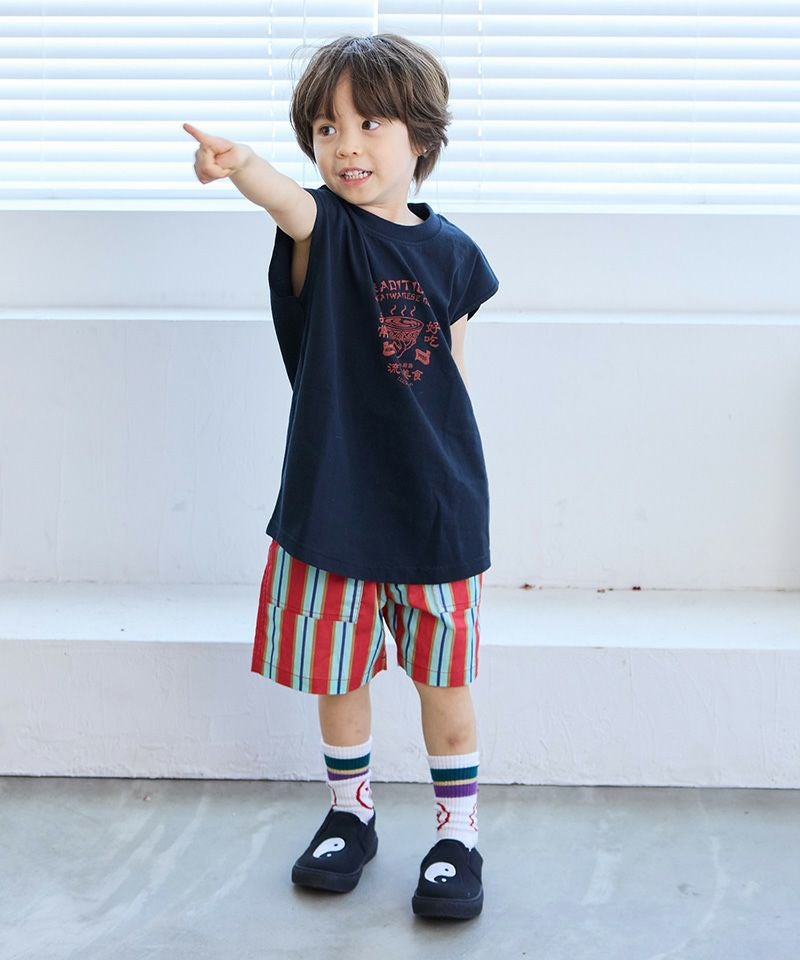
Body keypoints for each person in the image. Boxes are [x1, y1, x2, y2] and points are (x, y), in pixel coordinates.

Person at [184, 32, 498, 921]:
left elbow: (453, 378)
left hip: (435, 502)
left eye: (370, 124)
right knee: (340, 673)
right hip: (334, 499)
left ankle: (457, 834)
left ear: (421, 138)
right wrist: (242, 165)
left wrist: (457, 481)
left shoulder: (455, 254)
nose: (346, 145)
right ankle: (349, 815)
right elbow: (286, 201)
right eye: (327, 128)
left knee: (444, 680)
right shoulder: (324, 228)